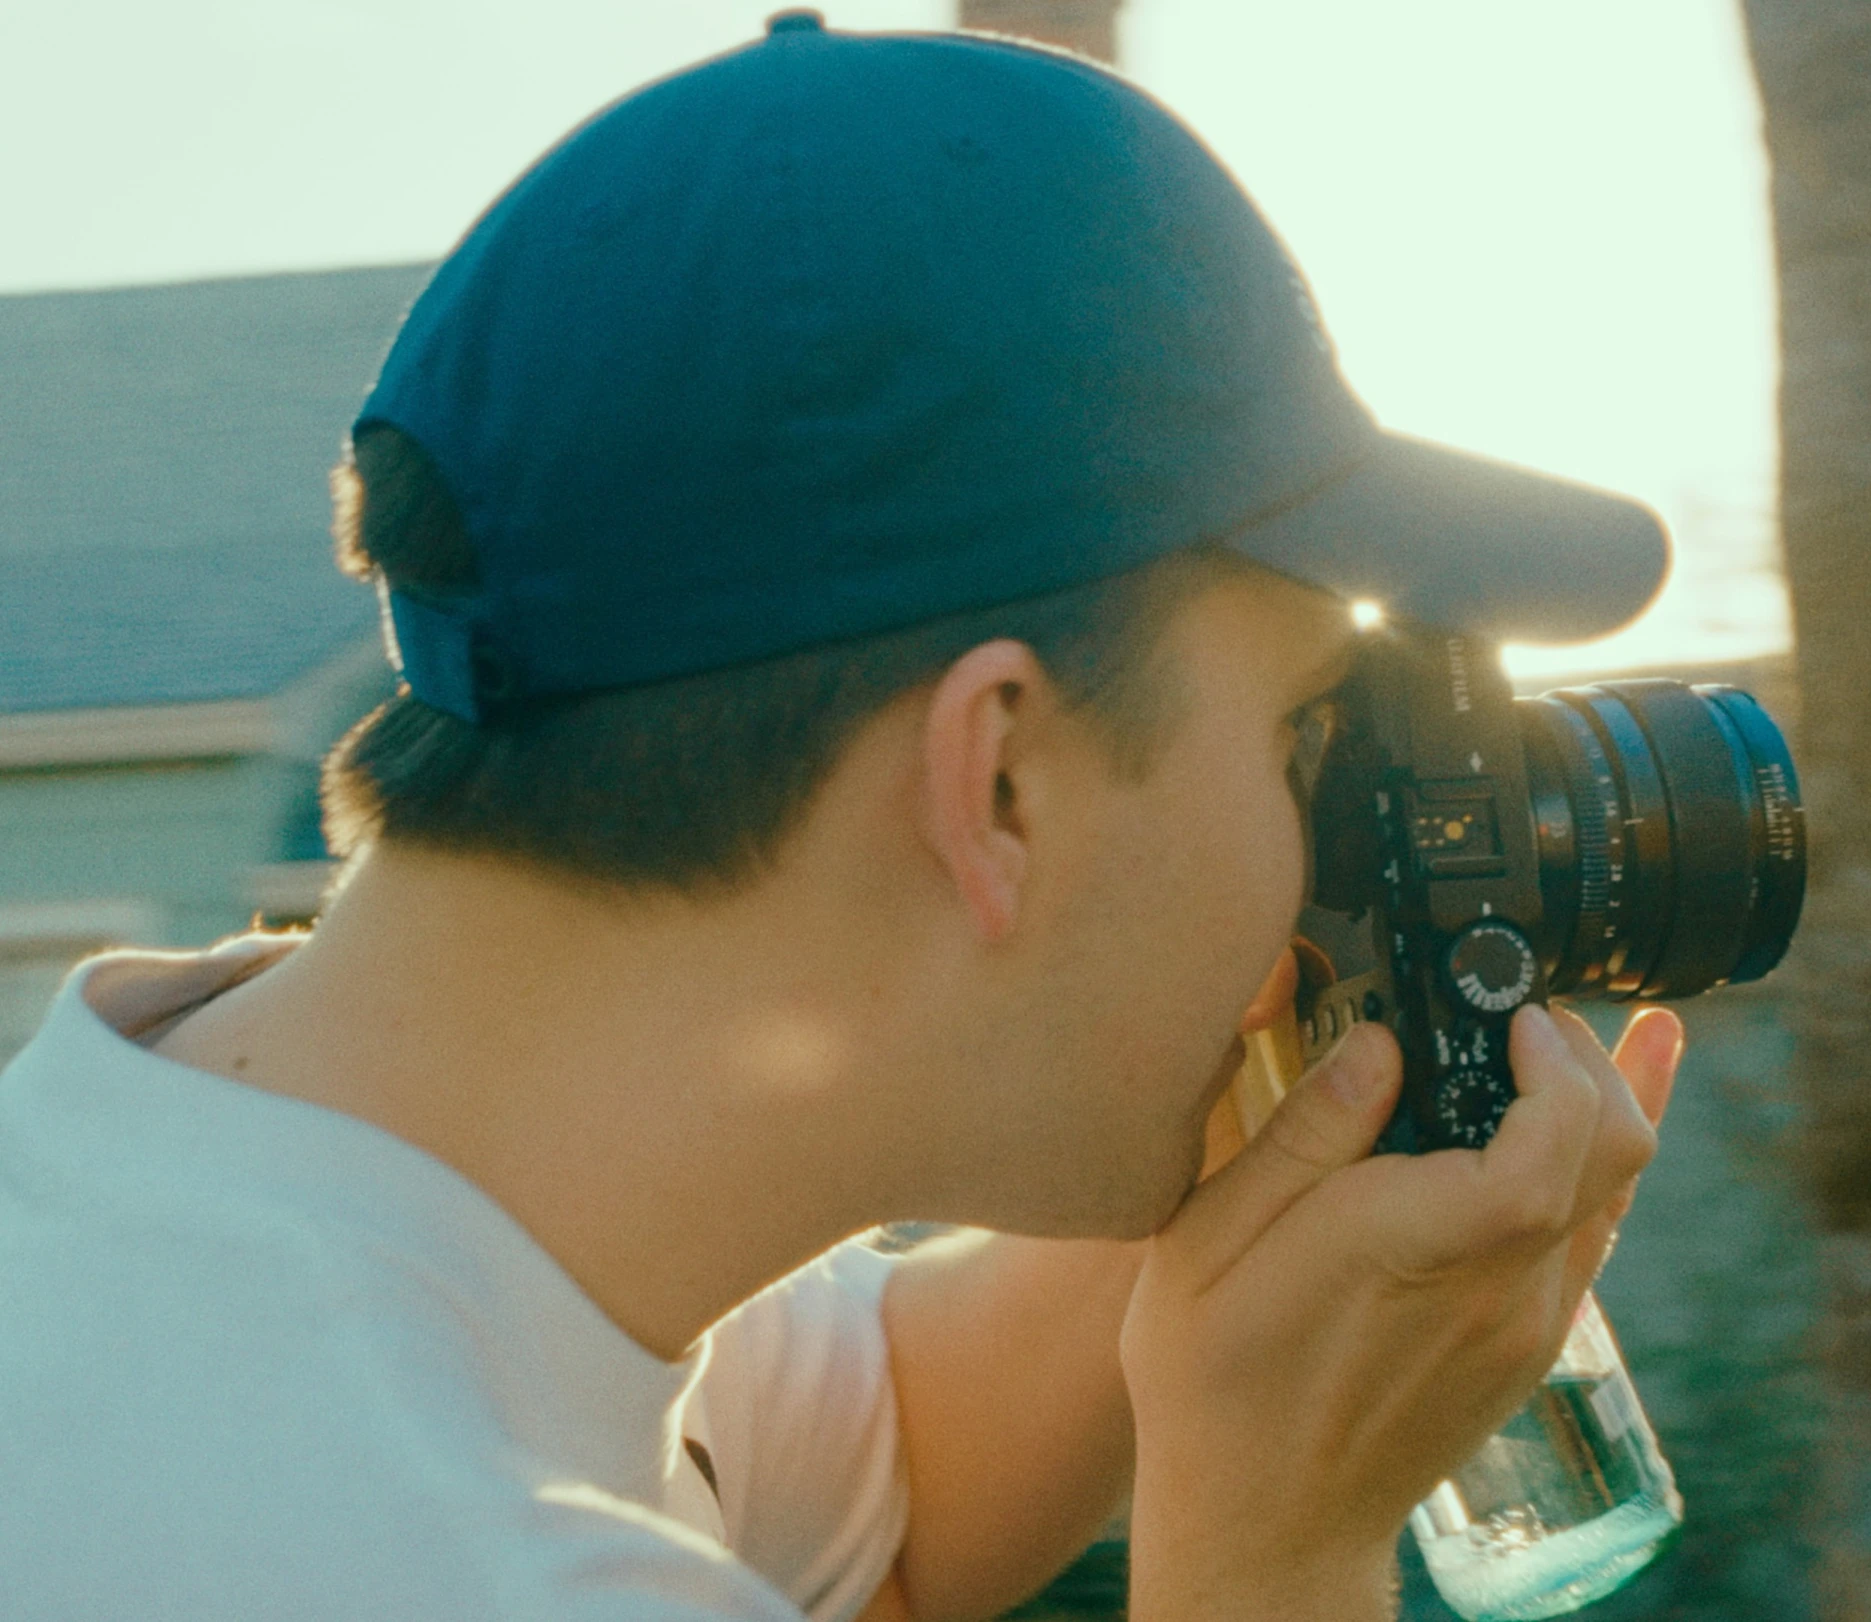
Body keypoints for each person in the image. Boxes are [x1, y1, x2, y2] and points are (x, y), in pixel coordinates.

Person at [0, 15, 1685, 1622]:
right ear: (999, 783)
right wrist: (1276, 1538)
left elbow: (896, 1479)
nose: (1334, 823)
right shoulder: (437, 1569)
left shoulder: (232, 1164)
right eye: (1302, 733)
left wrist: (1324, 1096)